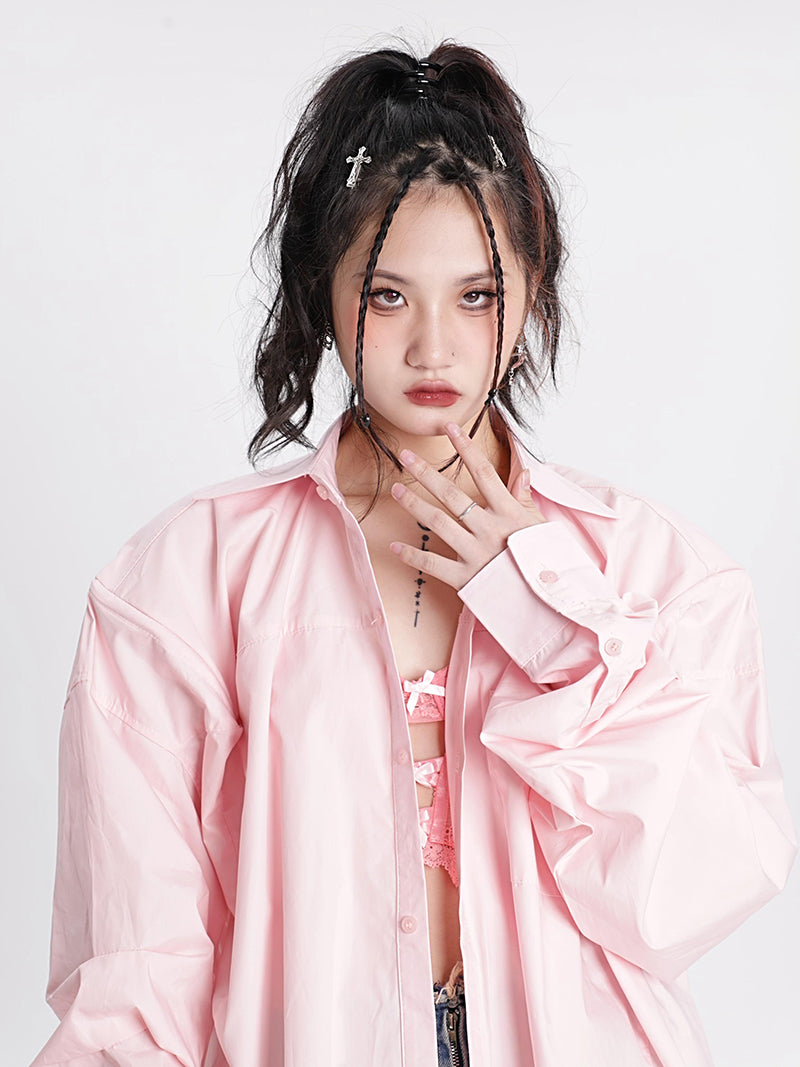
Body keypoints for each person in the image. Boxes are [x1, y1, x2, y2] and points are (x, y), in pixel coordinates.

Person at [31, 39, 796, 1067]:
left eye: (475, 295)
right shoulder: (183, 582)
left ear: (530, 290)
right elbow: (136, 971)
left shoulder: (655, 572)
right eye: (388, 295)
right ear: (325, 289)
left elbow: (689, 891)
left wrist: (555, 619)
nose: (434, 347)